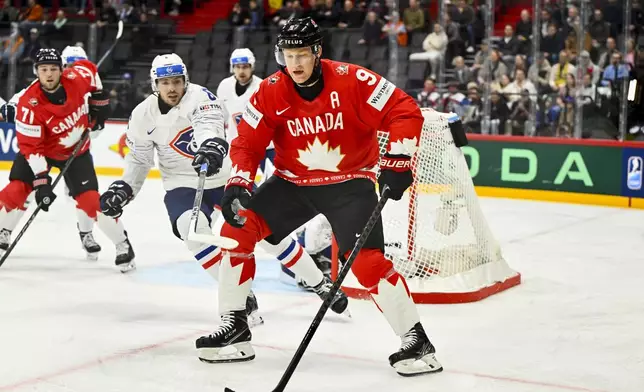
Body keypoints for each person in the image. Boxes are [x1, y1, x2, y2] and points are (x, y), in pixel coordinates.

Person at [196, 17, 444, 377]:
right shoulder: (269, 90)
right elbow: (248, 142)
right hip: (292, 184)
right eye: (287, 55)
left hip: (349, 184)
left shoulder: (353, 80)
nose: (294, 64)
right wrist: (239, 180)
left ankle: (417, 341)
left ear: (317, 52)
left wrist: (398, 159)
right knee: (236, 231)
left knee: (367, 264)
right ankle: (235, 328)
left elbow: (403, 110)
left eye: (301, 55)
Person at [99, 53, 348, 327]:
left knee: (269, 235)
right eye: (165, 82)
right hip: (182, 184)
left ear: (186, 80)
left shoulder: (202, 96)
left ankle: (319, 283)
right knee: (192, 234)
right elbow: (139, 160)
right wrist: (123, 188)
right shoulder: (141, 116)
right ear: (154, 84)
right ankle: (238, 292)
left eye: (177, 81)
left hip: (227, 178)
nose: (172, 88)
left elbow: (209, 126)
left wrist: (211, 146)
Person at [0, 46, 134, 266]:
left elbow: (91, 72)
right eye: (44, 69)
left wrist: (99, 102)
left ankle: (123, 244)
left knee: (91, 202)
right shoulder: (28, 104)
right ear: (36, 71)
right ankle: (3, 230)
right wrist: (42, 181)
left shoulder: (78, 77)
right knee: (16, 191)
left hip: (75, 152)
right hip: (40, 151)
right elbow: (32, 148)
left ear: (62, 69)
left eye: (54, 68)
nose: (49, 74)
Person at [217, 48, 333, 291]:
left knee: (278, 206)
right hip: (245, 152)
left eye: (245, 66)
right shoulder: (224, 88)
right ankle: (295, 258)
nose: (241, 71)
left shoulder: (265, 87)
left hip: (270, 150)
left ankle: (300, 258)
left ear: (252, 66)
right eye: (237, 66)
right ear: (232, 67)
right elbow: (225, 121)